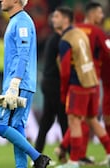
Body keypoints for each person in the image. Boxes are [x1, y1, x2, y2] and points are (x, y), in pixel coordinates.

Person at [0, 0, 51, 168]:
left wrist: (15, 82)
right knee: (16, 126)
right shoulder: (16, 20)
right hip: (17, 82)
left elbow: (24, 53)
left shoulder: (22, 21)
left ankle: (38, 157)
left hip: (19, 83)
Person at [52, 6, 110, 168]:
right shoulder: (80, 34)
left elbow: (65, 71)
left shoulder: (66, 40)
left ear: (66, 19)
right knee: (91, 119)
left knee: (74, 120)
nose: (53, 19)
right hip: (92, 81)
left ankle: (74, 160)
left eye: (56, 16)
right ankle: (109, 152)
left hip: (78, 84)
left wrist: (63, 93)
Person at [34, 23, 68, 155]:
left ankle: (37, 153)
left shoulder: (52, 38)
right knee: (63, 119)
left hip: (48, 83)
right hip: (56, 85)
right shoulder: (60, 40)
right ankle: (68, 154)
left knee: (47, 120)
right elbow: (61, 62)